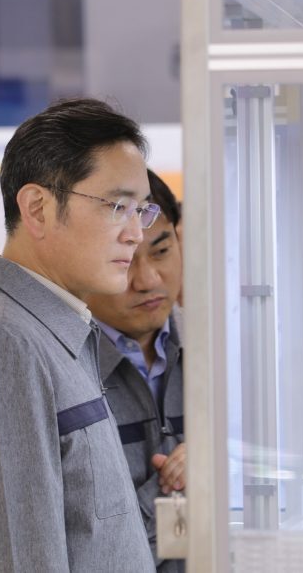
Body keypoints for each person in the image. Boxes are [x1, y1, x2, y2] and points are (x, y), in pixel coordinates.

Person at [0, 98, 157, 572]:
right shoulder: (1, 343)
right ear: (37, 207)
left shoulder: (53, 332)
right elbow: (13, 559)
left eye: (142, 209)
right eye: (118, 206)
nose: (136, 233)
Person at [86, 169, 186, 572]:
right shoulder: (64, 370)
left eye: (161, 251)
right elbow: (81, 550)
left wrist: (227, 464)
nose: (147, 280)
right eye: (125, 260)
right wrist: (173, 493)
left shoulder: (223, 352)